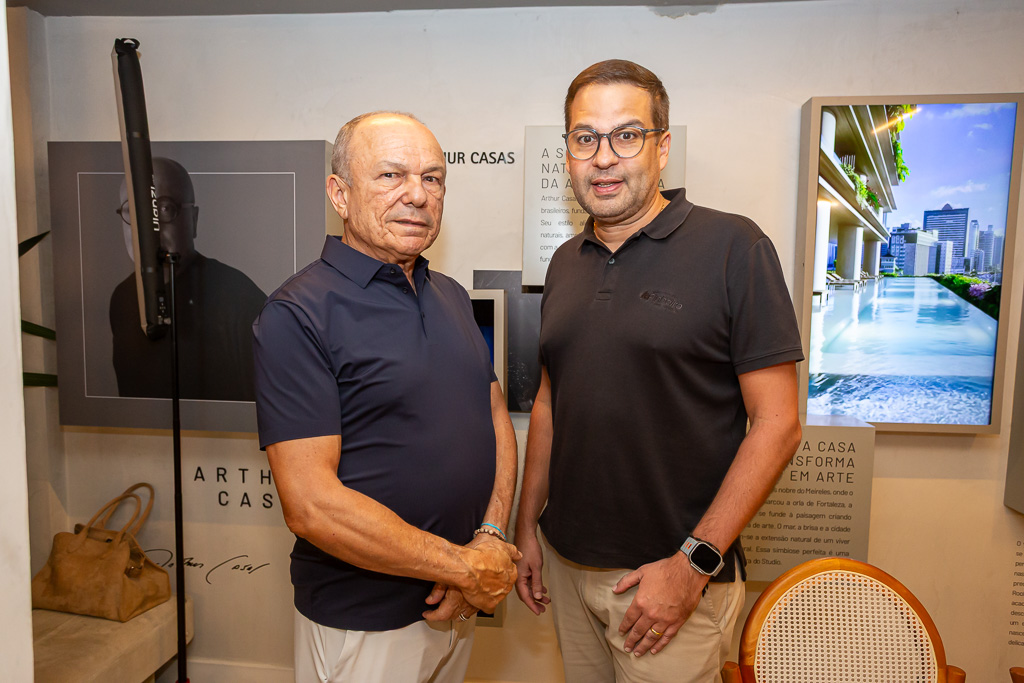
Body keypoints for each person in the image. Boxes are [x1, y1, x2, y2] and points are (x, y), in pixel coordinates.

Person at [513, 59, 804, 683]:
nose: (603, 157)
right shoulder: (565, 261)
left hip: (670, 586)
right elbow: (549, 403)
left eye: (626, 135)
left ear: (662, 147)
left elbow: (778, 424)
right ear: (568, 151)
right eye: (585, 137)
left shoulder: (735, 247)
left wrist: (693, 564)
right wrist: (527, 526)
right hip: (568, 567)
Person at [252, 111, 520, 683]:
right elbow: (311, 504)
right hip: (364, 623)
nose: (417, 195)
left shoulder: (450, 295)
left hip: (455, 603)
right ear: (340, 194)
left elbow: (494, 417)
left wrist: (491, 537)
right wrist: (465, 566)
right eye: (391, 175)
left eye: (432, 178)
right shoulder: (299, 313)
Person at [109, 156, 267, 401]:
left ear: (193, 219)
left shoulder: (240, 299)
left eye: (164, 209)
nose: (148, 228)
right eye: (133, 210)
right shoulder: (122, 298)